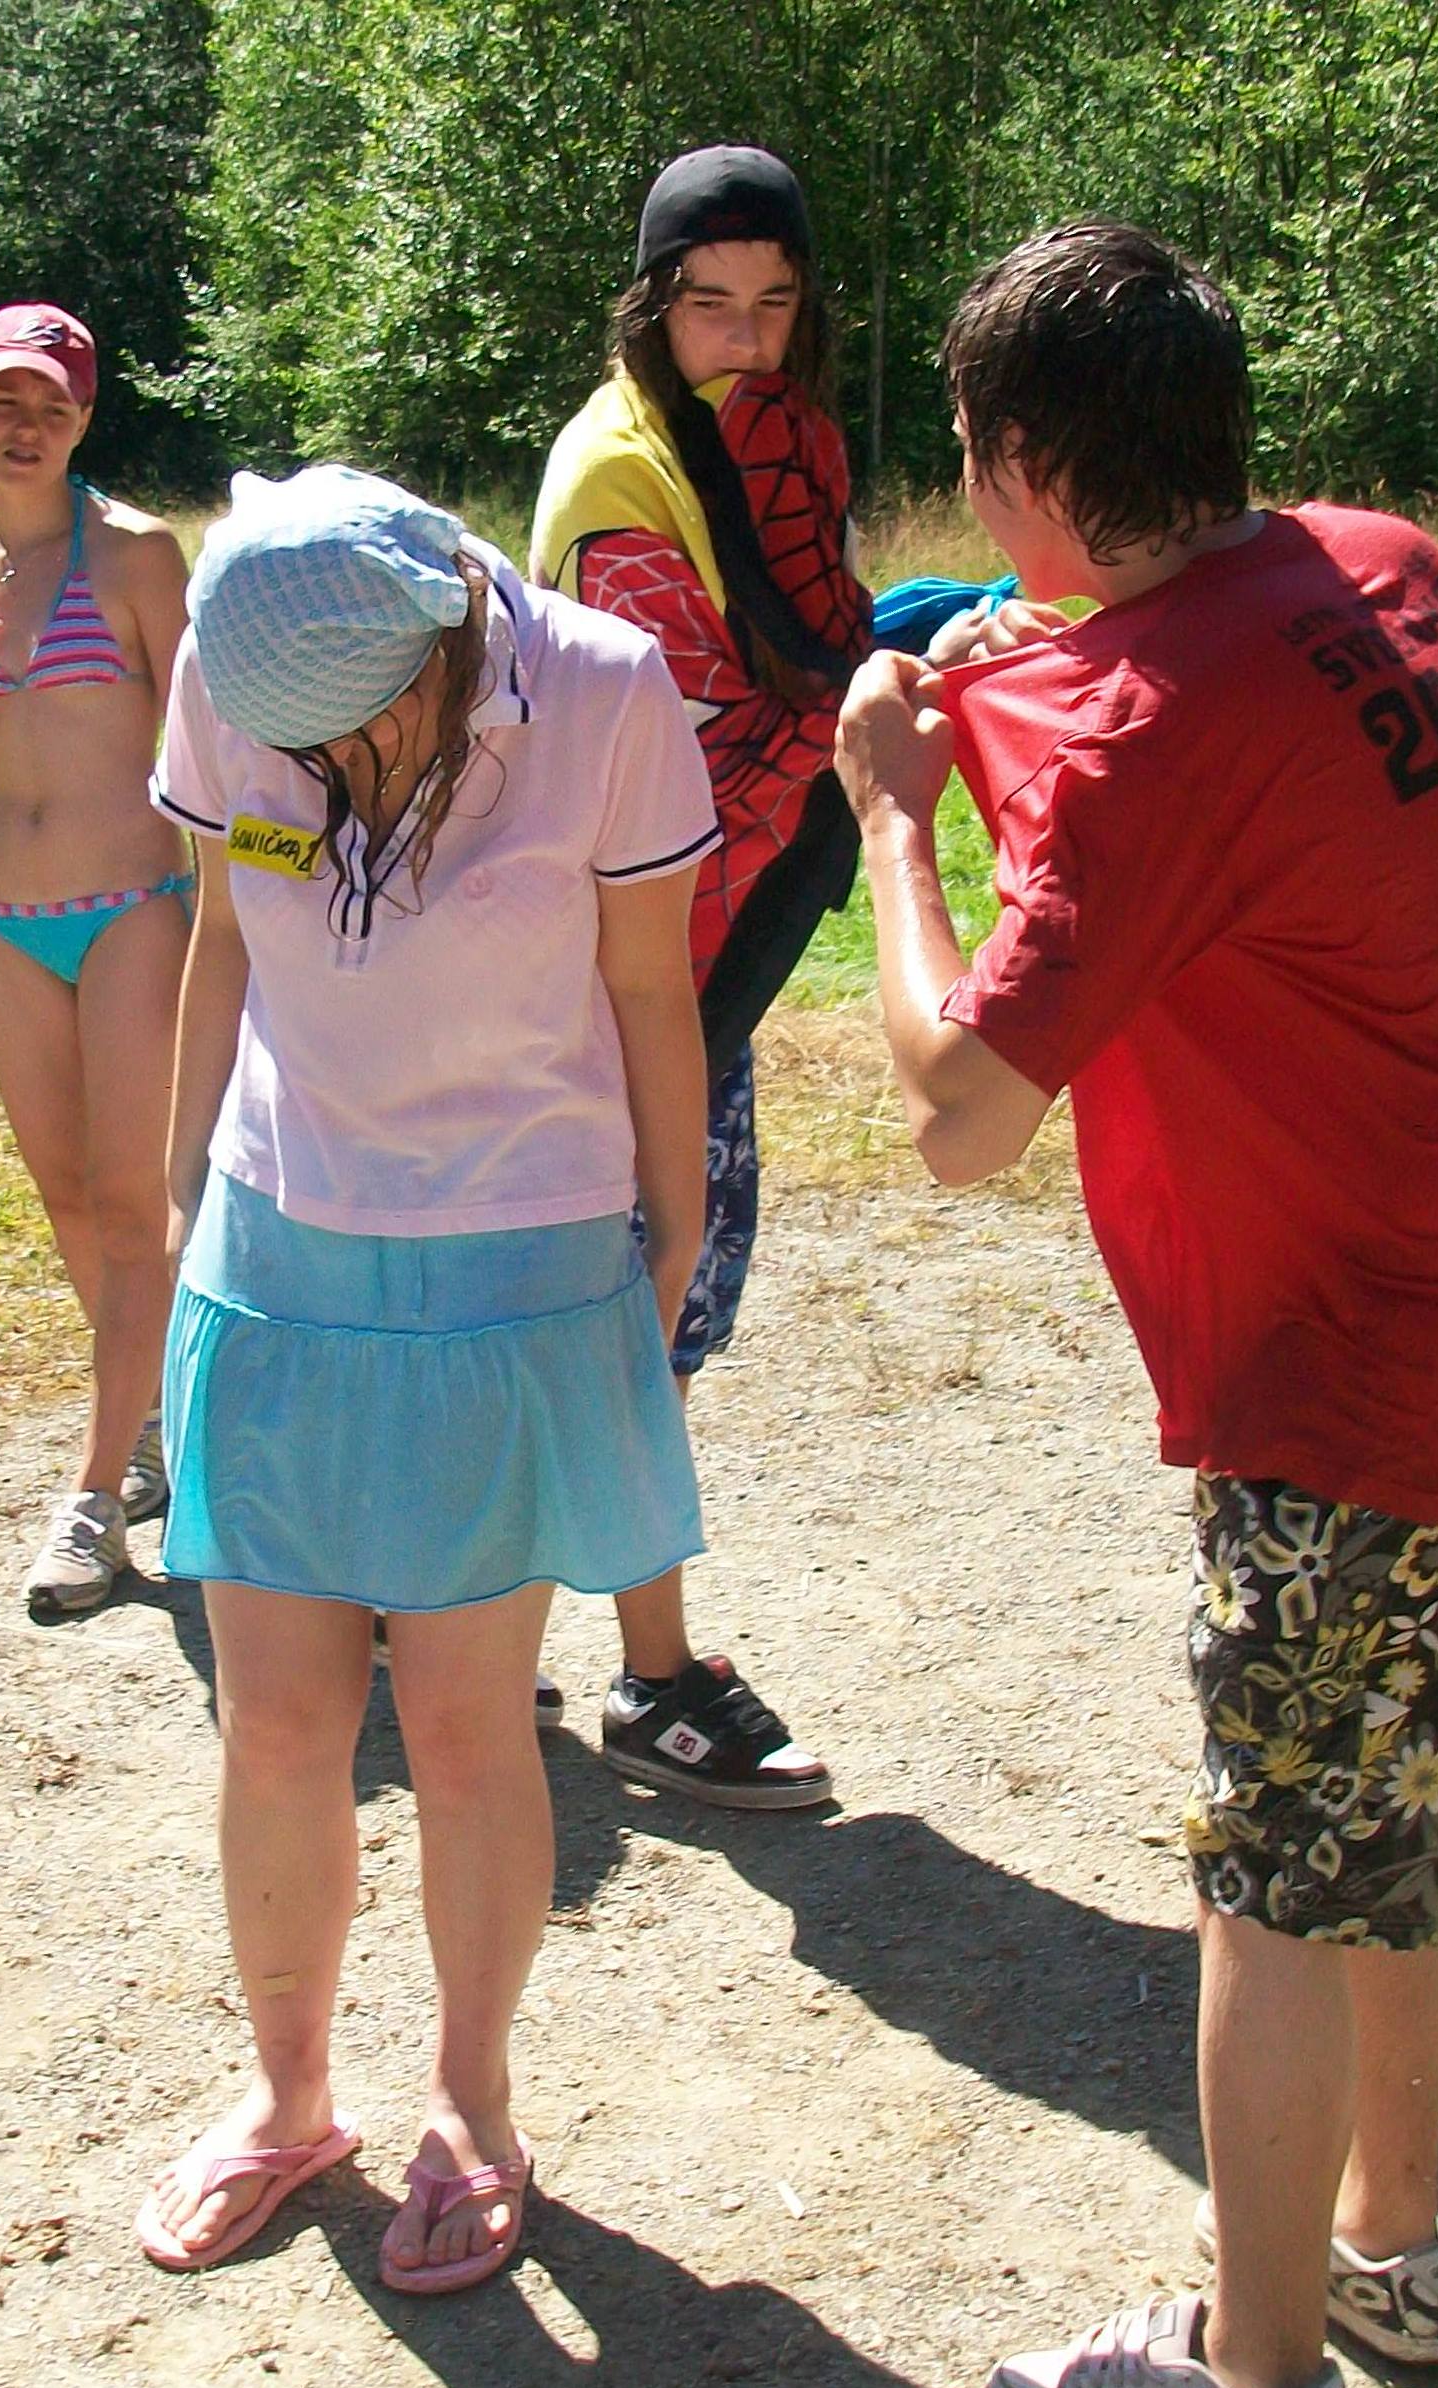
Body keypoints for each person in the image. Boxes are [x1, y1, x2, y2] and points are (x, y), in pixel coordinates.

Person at [833, 223, 1438, 2388]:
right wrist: (1024, 668)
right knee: (1403, 1806)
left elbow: (961, 1115)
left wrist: (892, 809)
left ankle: (1262, 2379)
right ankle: (1391, 2244)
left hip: (1372, 1375)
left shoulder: (1138, 730)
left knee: (1275, 1870)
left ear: (1020, 460)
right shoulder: (1387, 562)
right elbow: (1221, 722)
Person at [136, 465, 711, 2285]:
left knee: (466, 1731)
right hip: (278, 1259)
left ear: (450, 633)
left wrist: (675, 1228)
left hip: (512, 1264)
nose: (319, 760)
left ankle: (473, 2103)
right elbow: (222, 936)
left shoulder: (604, 686)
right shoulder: (238, 653)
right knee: (278, 1721)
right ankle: (288, 2092)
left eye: (358, 725)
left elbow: (650, 987)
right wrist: (182, 1200)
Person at [531, 145, 872, 1810]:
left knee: (611, 1298)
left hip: (675, 963)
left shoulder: (749, 448)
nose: (742, 337)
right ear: (652, 307)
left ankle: (433, 1607)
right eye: (708, 304)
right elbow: (693, 759)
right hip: (618, 979)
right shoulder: (628, 483)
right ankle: (654, 1680)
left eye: (773, 304)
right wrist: (879, 711)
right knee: (638, 1304)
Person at [0, 303, 191, 1615]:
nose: (26, 426)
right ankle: (160, 1424)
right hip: (7, 918)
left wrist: (235, 913)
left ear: (83, 421)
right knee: (67, 1198)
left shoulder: (137, 554)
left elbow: (203, 738)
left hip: (135, 905)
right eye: (5, 400)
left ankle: (96, 1499)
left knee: (131, 1205)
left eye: (52, 407)